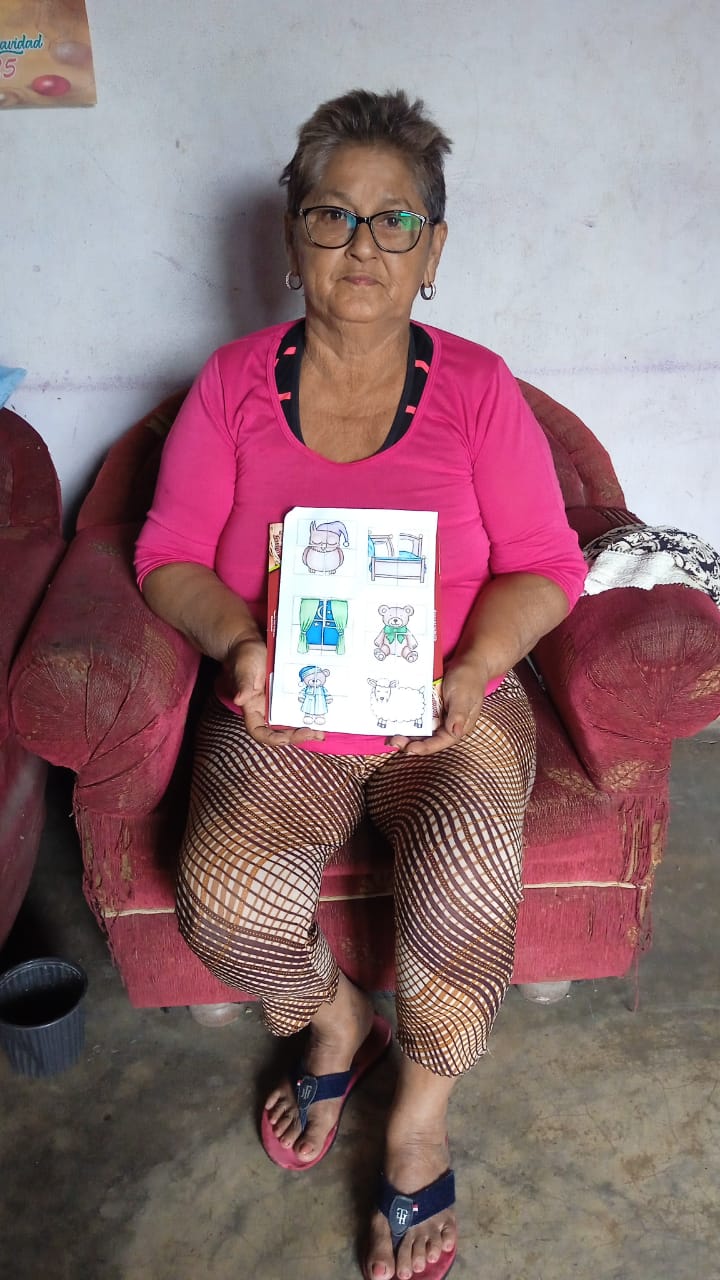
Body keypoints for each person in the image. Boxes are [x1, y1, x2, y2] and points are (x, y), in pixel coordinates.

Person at [135, 88, 588, 1280]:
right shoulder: (231, 384)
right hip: (279, 708)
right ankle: (337, 1019)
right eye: (333, 214)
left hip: (454, 707)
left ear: (433, 252)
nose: (363, 245)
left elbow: (548, 563)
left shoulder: (479, 388)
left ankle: (418, 1120)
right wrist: (241, 647)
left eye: (397, 221)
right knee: (223, 904)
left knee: (466, 887)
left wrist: (478, 667)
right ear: (293, 237)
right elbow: (168, 555)